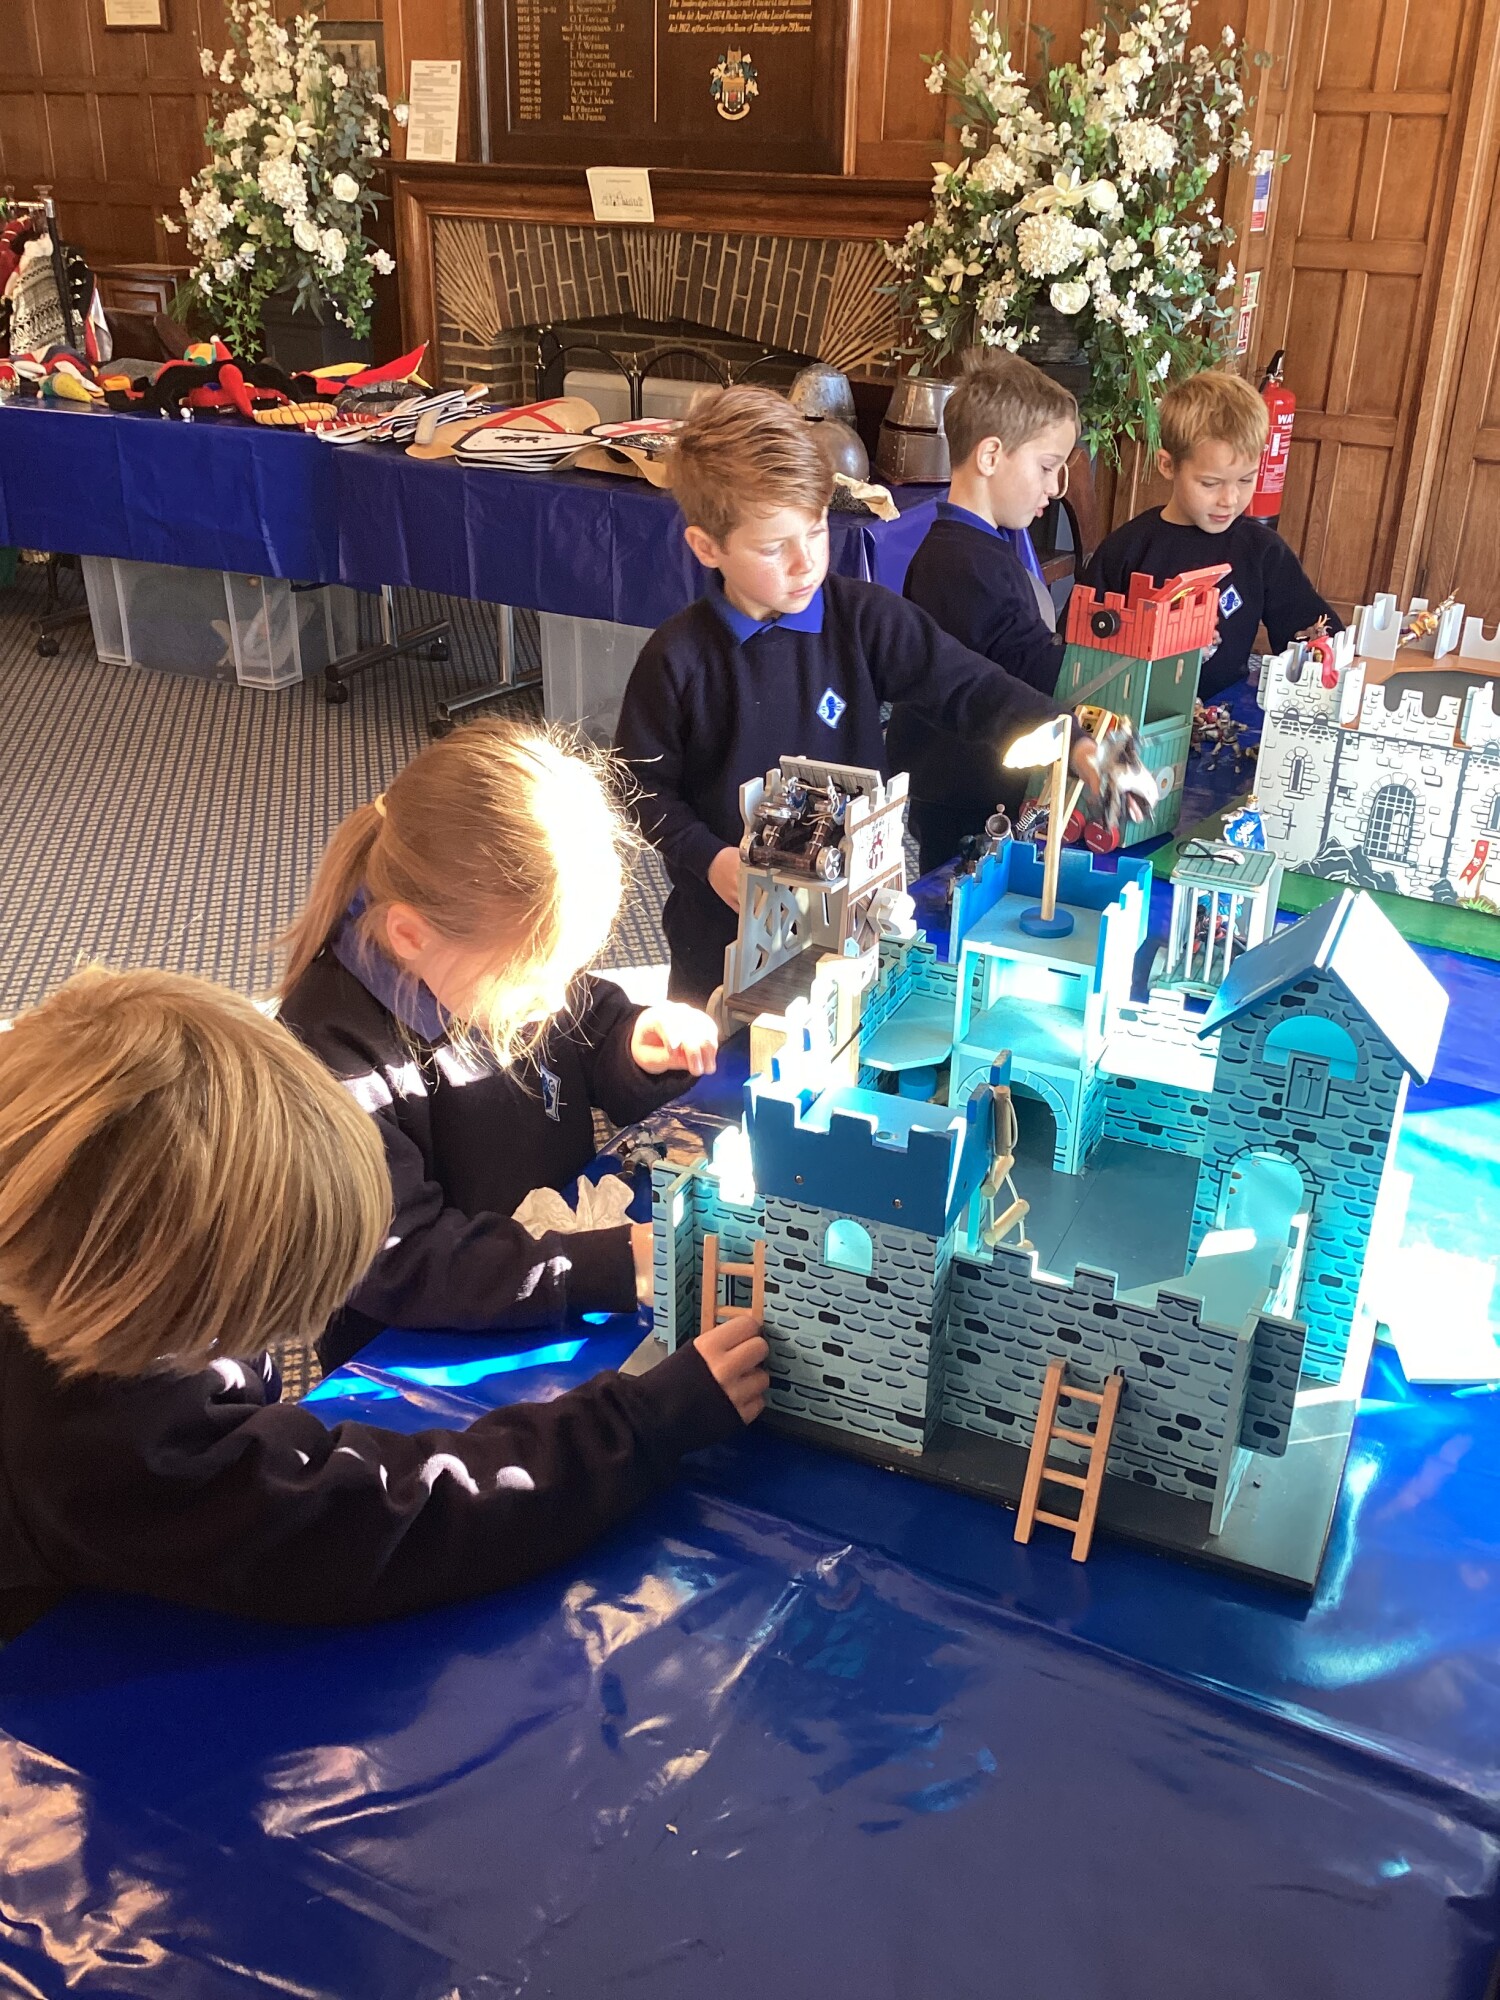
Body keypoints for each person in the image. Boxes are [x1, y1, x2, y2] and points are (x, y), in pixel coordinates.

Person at [0, 967, 767, 1629]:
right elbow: (372, 1522)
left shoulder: (68, 1239)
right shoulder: (109, 1440)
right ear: (159, 1302)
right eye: (256, 1311)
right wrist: (641, 1423)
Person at [615, 384, 1090, 1005]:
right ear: (708, 547)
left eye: (815, 532)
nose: (804, 564)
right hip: (719, 940)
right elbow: (638, 788)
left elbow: (967, 684)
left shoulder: (863, 619)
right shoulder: (677, 658)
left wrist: (1067, 733)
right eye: (773, 547)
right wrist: (708, 858)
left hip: (854, 929)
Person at [278, 720, 722, 1373]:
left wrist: (633, 1043)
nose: (555, 1000)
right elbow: (403, 1260)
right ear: (409, 937)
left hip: (542, 1273)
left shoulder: (481, 963)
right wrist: (605, 1265)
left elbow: (590, 1019)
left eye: (565, 972)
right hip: (421, 1349)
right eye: (533, 980)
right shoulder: (329, 1057)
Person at [888, 350, 1079, 873]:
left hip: (974, 777)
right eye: (1047, 467)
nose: (1054, 488)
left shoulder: (980, 547)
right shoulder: (961, 563)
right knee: (961, 894)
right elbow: (1030, 663)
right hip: (962, 785)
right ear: (991, 455)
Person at [1079, 369, 1341, 700]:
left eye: (1245, 480)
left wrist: (1322, 650)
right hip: (1131, 707)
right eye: (1210, 483)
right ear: (1167, 465)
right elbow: (1080, 646)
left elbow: (1311, 633)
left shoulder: (1261, 550)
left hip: (1225, 709)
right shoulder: (1128, 548)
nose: (1229, 499)